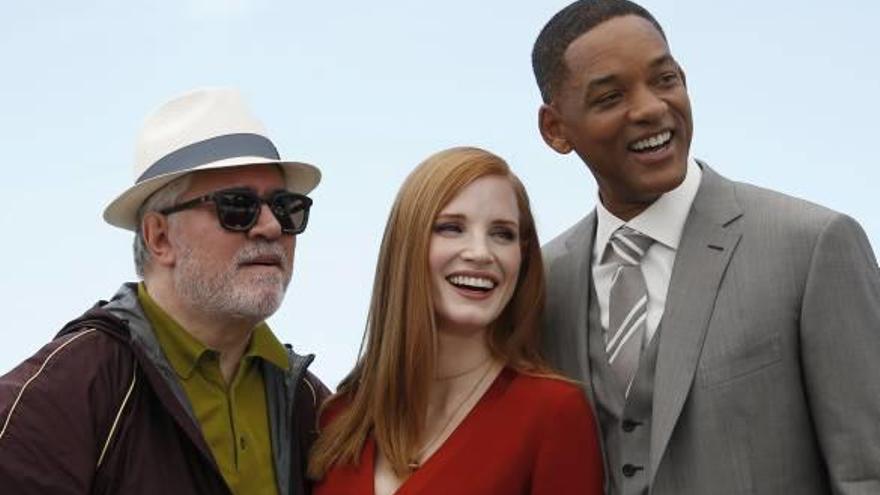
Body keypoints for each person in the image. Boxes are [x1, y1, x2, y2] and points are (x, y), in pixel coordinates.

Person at [532, 1, 880, 493]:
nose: (652, 107)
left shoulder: (814, 245)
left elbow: (869, 472)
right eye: (610, 97)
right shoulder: (542, 284)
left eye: (665, 79)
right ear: (555, 129)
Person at [0, 88, 329, 494]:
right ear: (159, 237)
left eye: (286, 207)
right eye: (237, 206)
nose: (272, 227)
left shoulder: (311, 407)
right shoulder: (68, 390)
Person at [308, 147, 603, 494]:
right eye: (452, 228)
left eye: (503, 233)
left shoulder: (553, 413)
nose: (480, 252)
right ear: (406, 245)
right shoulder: (339, 418)